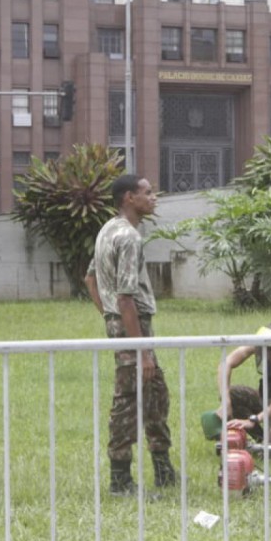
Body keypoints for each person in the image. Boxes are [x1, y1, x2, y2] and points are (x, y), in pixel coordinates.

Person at [84, 174, 176, 495]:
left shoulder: (107, 230)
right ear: (128, 198)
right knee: (128, 399)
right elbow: (125, 297)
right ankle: (120, 479)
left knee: (155, 392)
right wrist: (141, 349)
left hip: (124, 323)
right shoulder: (129, 237)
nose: (154, 197)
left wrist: (109, 316)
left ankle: (164, 470)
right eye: (147, 192)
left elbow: (90, 279)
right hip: (133, 325)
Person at [215, 322, 271, 446]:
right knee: (234, 394)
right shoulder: (262, 345)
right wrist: (226, 402)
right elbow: (226, 363)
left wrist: (255, 419)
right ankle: (261, 438)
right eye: (267, 350)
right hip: (268, 398)